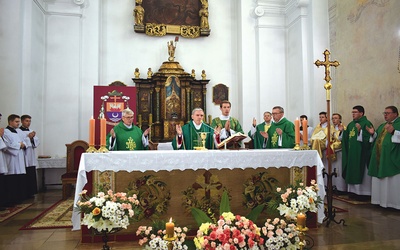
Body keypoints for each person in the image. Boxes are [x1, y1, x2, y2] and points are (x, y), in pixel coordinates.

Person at [368, 106, 400, 209]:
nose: (385, 115)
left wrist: (394, 132)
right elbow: (375, 138)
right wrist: (373, 134)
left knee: (392, 181)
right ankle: (381, 201)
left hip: (392, 158)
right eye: (384, 113)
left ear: (395, 114)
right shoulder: (382, 125)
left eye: (388, 113)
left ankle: (394, 204)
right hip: (381, 157)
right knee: (381, 181)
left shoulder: (398, 124)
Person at [341, 105, 373, 196]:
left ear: (361, 113)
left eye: (355, 112)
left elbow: (369, 139)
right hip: (352, 153)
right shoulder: (351, 124)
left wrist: (360, 132)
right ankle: (352, 192)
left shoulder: (366, 123)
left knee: (360, 171)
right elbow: (346, 138)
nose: (353, 114)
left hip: (361, 153)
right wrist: (342, 132)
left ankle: (363, 193)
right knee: (352, 170)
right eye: (352, 112)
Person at [3, 114, 27, 205]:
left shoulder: (18, 131)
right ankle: (11, 199)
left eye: (19, 122)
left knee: (18, 178)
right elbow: (7, 144)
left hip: (19, 157)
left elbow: (24, 140)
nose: (18, 123)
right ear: (10, 122)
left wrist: (23, 144)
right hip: (11, 157)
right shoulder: (5, 132)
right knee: (11, 178)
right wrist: (19, 145)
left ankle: (18, 198)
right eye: (16, 121)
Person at [17, 115, 39, 197]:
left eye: (29, 121)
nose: (28, 123)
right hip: (23, 154)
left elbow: (36, 142)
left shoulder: (31, 131)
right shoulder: (18, 131)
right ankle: (24, 193)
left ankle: (31, 192)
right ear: (22, 121)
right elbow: (20, 142)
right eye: (26, 121)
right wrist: (28, 138)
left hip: (31, 155)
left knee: (31, 173)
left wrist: (32, 138)